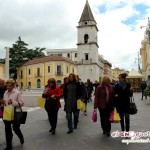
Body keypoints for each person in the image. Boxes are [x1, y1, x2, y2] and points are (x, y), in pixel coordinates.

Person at [3, 79, 24, 150]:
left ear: (13, 86)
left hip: (16, 112)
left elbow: (21, 103)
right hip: (7, 112)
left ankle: (21, 137)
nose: (8, 87)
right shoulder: (5, 92)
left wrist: (12, 102)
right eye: (7, 86)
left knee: (15, 128)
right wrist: (3, 103)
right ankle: (9, 146)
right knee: (7, 129)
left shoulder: (17, 93)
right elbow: (5, 102)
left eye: (10, 86)